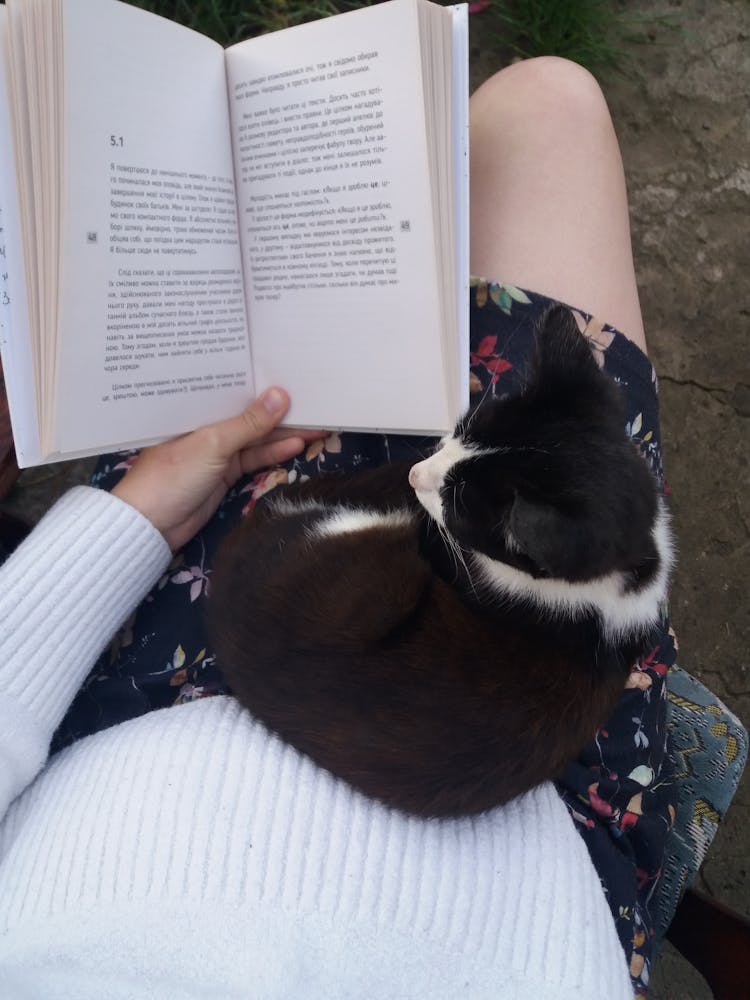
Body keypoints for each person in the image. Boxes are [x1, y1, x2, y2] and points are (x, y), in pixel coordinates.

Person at [0, 58, 675, 998]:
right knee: (548, 105)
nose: (424, 469)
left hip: (146, 707)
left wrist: (131, 520)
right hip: (543, 785)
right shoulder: (554, 536)